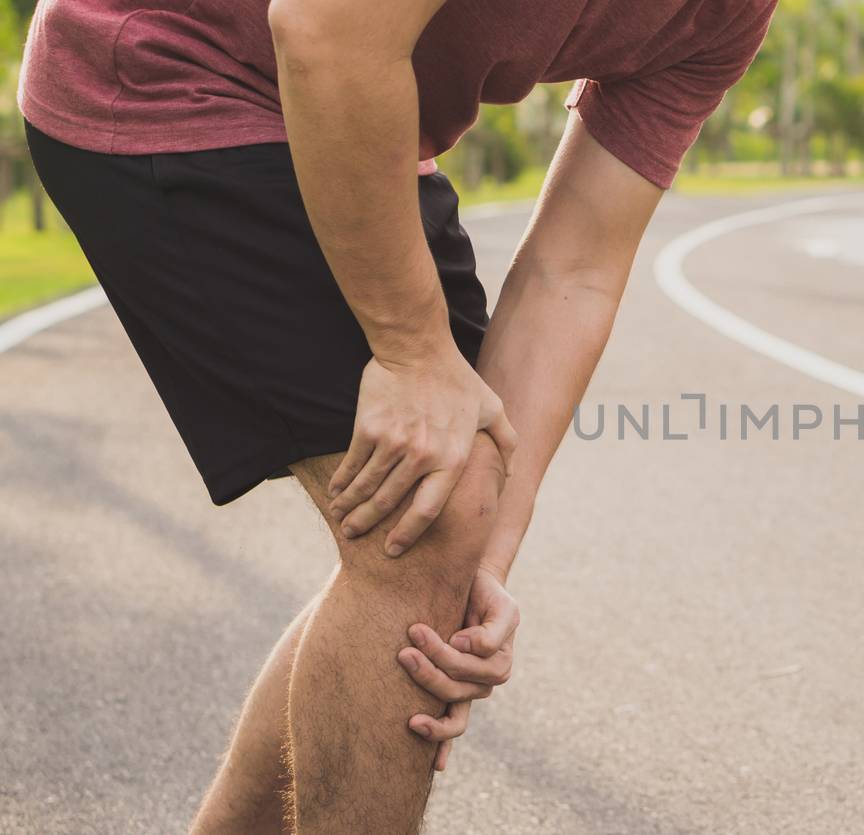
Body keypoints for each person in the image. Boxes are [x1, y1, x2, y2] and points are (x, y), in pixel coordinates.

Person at [20, 0, 776, 831]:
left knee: (440, 527)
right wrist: (412, 353)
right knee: (431, 513)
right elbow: (322, 31)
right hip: (173, 68)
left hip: (357, 111)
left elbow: (577, 265)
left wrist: (481, 562)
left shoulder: (726, 17)